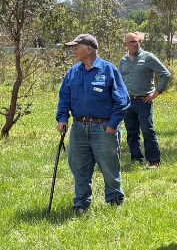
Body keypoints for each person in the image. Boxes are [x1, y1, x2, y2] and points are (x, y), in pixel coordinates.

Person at [56, 34, 130, 212]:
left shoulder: (109, 70)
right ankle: (81, 203)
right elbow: (64, 97)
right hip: (79, 128)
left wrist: (112, 125)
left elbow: (122, 100)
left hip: (103, 128)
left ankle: (114, 200)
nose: (74, 50)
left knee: (109, 167)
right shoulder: (73, 72)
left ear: (89, 49)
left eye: (77, 46)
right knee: (79, 167)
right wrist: (62, 118)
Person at [119, 32, 173, 169]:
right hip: (128, 101)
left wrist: (157, 92)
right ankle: (137, 159)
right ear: (125, 44)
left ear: (140, 42)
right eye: (131, 42)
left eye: (136, 41)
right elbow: (120, 80)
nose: (134, 44)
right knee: (131, 131)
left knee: (147, 130)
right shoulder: (123, 60)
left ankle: (154, 161)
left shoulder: (148, 57)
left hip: (144, 101)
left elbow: (165, 74)